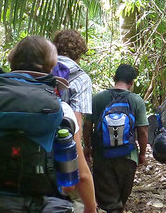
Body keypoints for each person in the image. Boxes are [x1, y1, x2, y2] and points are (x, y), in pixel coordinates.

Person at [0, 36, 95, 212]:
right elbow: (80, 178)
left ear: (11, 61)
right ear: (51, 66)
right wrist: (91, 209)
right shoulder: (61, 109)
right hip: (41, 206)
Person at [81, 64, 148, 213]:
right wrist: (142, 154)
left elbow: (87, 125)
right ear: (131, 82)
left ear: (114, 78)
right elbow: (142, 131)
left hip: (102, 155)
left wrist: (87, 146)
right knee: (122, 197)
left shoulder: (97, 98)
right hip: (128, 156)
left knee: (107, 201)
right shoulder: (136, 101)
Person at [50, 29, 98, 212]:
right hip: (65, 147)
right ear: (80, 52)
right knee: (78, 201)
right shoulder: (81, 78)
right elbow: (76, 121)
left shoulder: (42, 70)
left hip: (37, 148)